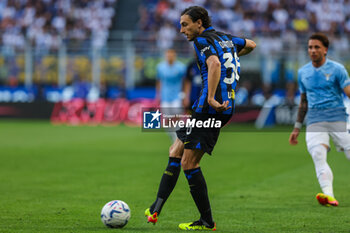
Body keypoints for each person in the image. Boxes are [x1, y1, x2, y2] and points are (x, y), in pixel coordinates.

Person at [145, 6, 256, 230]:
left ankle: (207, 221)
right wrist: (231, 57)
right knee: (175, 151)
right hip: (210, 108)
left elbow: (214, 64)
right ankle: (155, 208)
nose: (181, 30)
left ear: (199, 23)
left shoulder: (202, 40)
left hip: (210, 109)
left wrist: (213, 98)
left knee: (189, 163)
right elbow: (251, 44)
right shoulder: (225, 38)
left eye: (185, 24)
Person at [289, 33, 350, 207]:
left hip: (338, 118)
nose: (313, 50)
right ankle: (329, 196)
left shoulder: (338, 69)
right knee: (317, 154)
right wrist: (296, 127)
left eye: (316, 47)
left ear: (325, 49)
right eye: (310, 47)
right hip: (315, 121)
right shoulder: (303, 72)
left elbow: (349, 93)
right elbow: (303, 101)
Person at [156, 48, 186, 142]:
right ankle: (173, 137)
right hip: (165, 97)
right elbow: (159, 81)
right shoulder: (160, 67)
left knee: (176, 117)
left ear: (175, 55)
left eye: (171, 54)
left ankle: (177, 138)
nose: (169, 56)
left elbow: (185, 81)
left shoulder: (181, 67)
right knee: (167, 120)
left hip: (177, 96)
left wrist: (184, 94)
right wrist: (158, 94)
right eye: (168, 55)